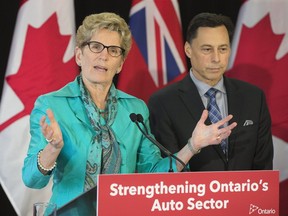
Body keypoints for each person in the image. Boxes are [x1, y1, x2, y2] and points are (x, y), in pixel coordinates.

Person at [22, 12, 237, 212]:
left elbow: (152, 174)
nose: (104, 57)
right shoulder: (52, 105)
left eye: (114, 50)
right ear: (79, 55)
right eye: (96, 47)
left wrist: (193, 145)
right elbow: (32, 180)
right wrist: (53, 148)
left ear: (120, 64)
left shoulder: (135, 109)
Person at [148, 12, 273, 171]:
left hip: (246, 194)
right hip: (192, 195)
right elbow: (167, 170)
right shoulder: (163, 102)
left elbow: (263, 166)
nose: (216, 58)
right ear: (188, 50)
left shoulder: (254, 97)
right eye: (207, 49)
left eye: (223, 49)